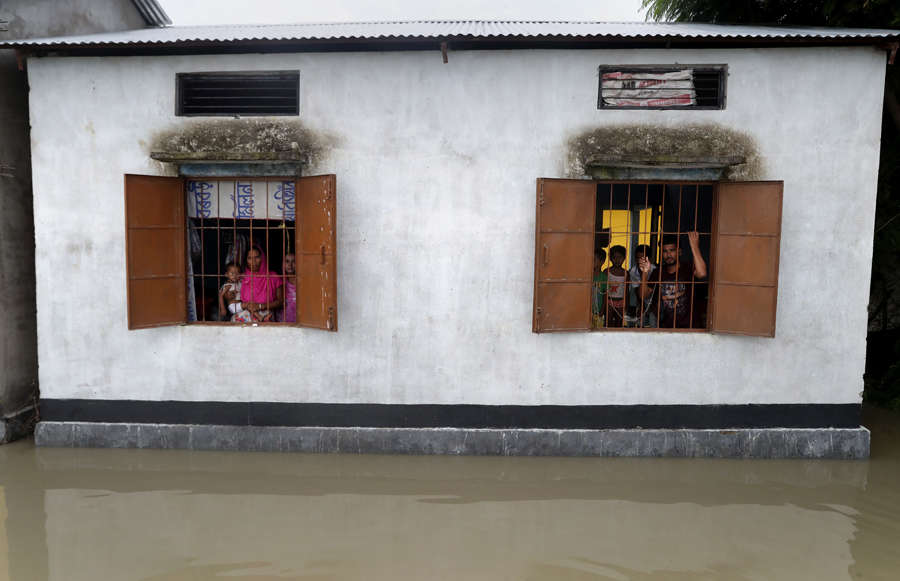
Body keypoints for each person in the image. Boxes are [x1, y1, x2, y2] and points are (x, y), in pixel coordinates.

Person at [638, 232, 707, 329]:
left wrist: (694, 247)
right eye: (665, 251)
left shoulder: (688, 268)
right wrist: (645, 272)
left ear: (679, 252)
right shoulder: (658, 272)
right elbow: (643, 295)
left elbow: (702, 273)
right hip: (666, 328)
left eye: (672, 250)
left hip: (689, 328)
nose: (668, 255)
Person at [233, 245, 284, 323]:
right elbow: (233, 300)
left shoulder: (273, 277)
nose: (253, 261)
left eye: (257, 257)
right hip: (245, 317)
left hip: (266, 317)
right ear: (246, 260)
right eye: (250, 258)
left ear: (262, 258)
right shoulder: (241, 278)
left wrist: (260, 306)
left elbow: (281, 301)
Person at [628, 244, 657, 328]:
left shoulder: (655, 270)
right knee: (641, 323)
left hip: (654, 301)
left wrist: (651, 308)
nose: (639, 261)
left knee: (653, 323)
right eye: (637, 258)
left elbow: (656, 291)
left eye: (642, 258)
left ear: (649, 259)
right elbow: (637, 291)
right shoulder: (633, 271)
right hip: (642, 301)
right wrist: (641, 307)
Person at [604, 245, 629, 327]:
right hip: (609, 301)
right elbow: (603, 289)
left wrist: (626, 304)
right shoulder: (607, 271)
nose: (617, 260)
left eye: (620, 257)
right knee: (608, 322)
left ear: (624, 258)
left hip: (621, 302)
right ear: (610, 258)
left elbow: (626, 290)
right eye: (614, 257)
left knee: (619, 323)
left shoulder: (626, 273)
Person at [276, 252, 297, 323]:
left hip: (299, 323)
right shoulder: (280, 281)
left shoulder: (302, 282)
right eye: (287, 261)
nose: (290, 265)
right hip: (282, 323)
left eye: (293, 261)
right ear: (283, 264)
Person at [592, 249, 608, 329]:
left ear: (602, 262)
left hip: (599, 312)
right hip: (587, 312)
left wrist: (602, 310)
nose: (591, 261)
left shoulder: (604, 278)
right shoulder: (587, 276)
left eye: (594, 259)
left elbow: (605, 296)